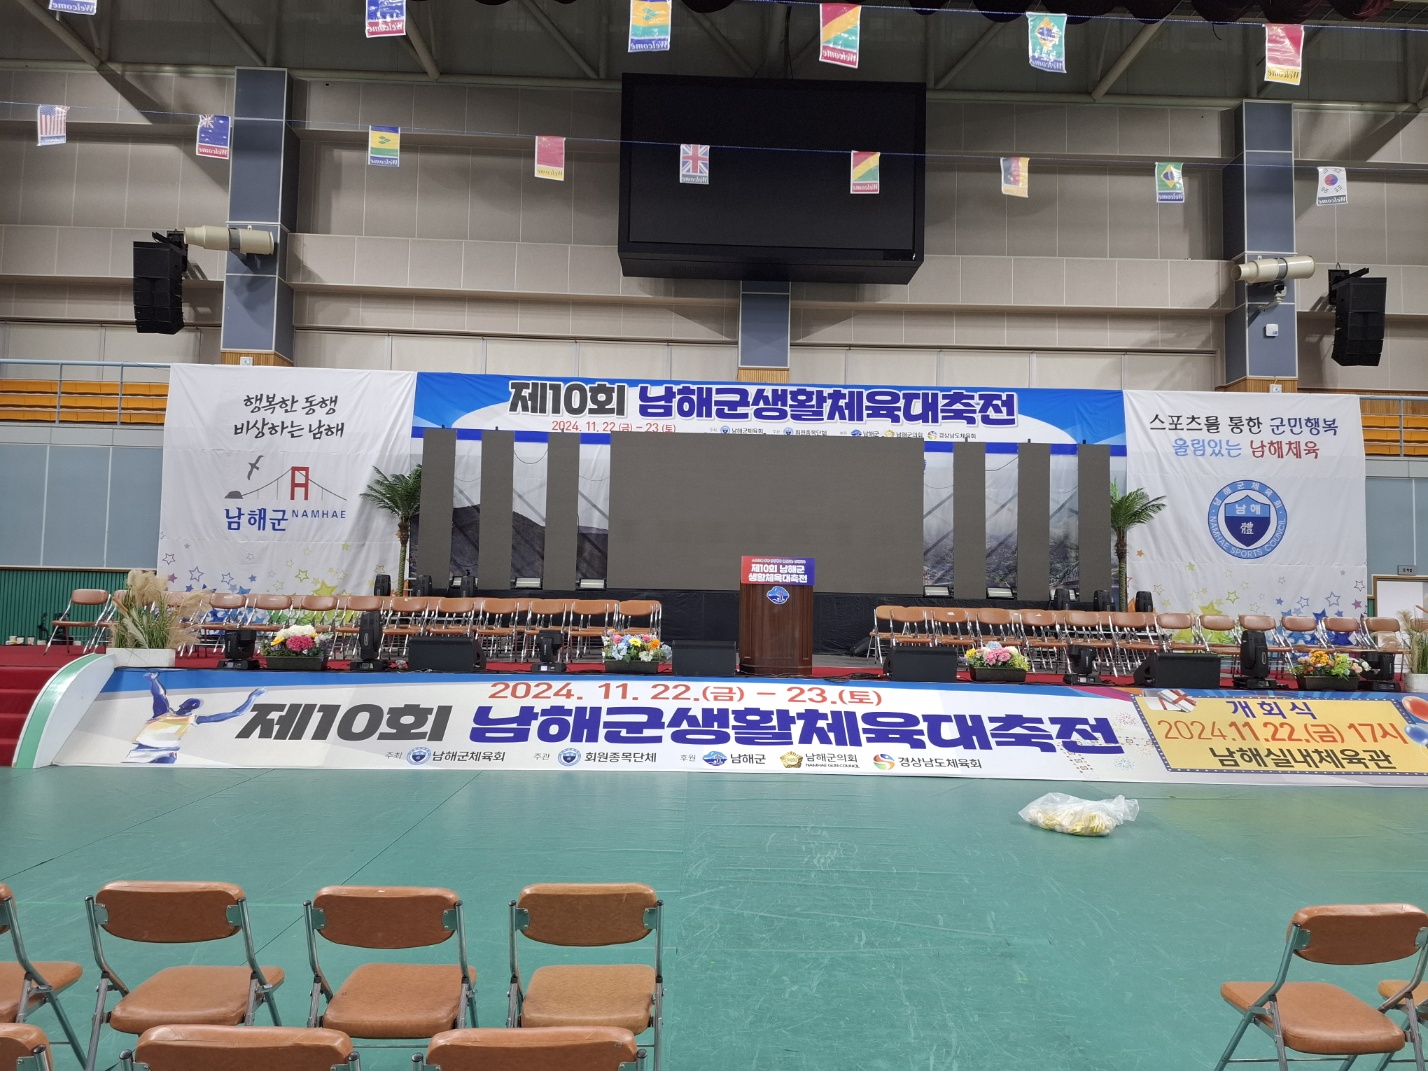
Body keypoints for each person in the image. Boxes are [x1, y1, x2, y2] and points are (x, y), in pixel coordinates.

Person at [123, 673, 267, 765]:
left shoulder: (192, 719)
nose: (189, 707)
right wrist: (152, 680)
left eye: (192, 705)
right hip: (142, 751)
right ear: (183, 704)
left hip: (167, 752)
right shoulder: (163, 712)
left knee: (162, 782)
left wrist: (252, 697)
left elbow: (235, 714)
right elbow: (159, 695)